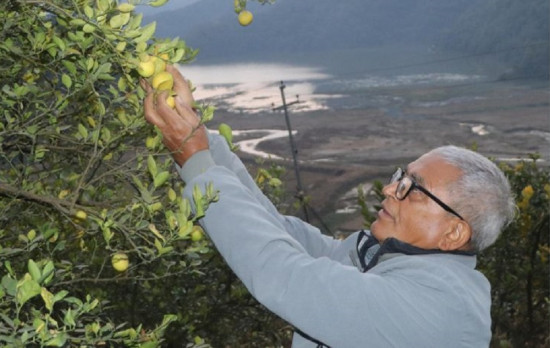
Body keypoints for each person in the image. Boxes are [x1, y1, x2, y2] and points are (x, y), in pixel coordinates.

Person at [142, 66, 516, 348]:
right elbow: (281, 235)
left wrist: (196, 159)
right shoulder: (390, 261)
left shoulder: (437, 309)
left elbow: (283, 272)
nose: (389, 189)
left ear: (454, 233)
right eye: (401, 175)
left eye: (412, 188)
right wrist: (198, 139)